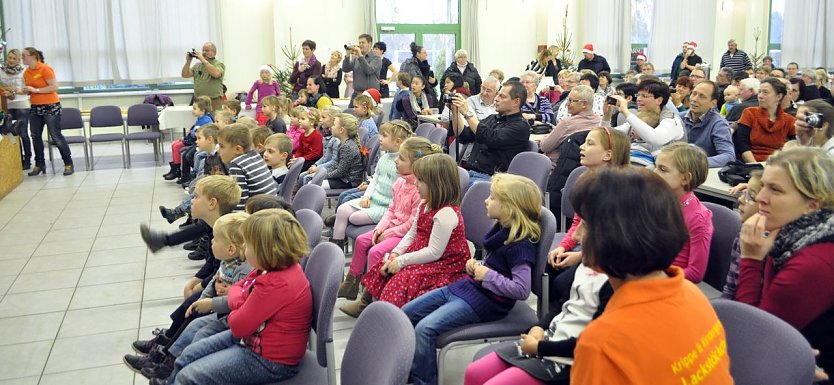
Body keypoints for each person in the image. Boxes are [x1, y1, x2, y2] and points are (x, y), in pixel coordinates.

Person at [567, 167, 733, 384]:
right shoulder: (692, 294)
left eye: (586, 225)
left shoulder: (603, 343)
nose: (577, 235)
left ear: (615, 236)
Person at [405, 173, 542, 385]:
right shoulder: (502, 230)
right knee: (406, 314)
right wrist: (478, 266)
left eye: (493, 198)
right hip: (469, 288)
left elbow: (522, 290)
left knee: (424, 330)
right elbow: (497, 268)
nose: (486, 201)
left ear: (510, 207)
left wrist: (487, 274)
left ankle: (422, 381)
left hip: (487, 302)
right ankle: (412, 371)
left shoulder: (520, 244)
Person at [152, 209, 312, 385]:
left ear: (265, 250)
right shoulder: (271, 267)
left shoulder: (276, 283)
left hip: (270, 361)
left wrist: (238, 301)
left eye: (248, 245)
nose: (244, 249)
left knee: (188, 376)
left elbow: (237, 325)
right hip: (252, 341)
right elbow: (239, 289)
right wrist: (241, 299)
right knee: (188, 355)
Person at [735, 147, 834, 378]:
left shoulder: (813, 265)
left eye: (775, 190)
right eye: (765, 185)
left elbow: (751, 334)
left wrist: (750, 259)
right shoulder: (794, 237)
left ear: (813, 205)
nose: (760, 197)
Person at [124, 211, 251, 375]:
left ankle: (171, 361)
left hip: (229, 314)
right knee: (191, 310)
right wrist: (204, 296)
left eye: (197, 196)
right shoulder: (228, 260)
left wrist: (215, 297)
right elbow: (215, 277)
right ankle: (167, 354)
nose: (191, 200)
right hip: (220, 304)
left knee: (197, 325)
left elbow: (241, 297)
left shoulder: (244, 268)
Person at [355, 153, 468, 315]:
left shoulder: (446, 214)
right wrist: (396, 253)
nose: (416, 183)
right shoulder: (425, 204)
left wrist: (401, 261)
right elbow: (411, 234)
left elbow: (434, 252)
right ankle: (370, 307)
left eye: (420, 180)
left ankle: (392, 318)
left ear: (437, 184)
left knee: (403, 279)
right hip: (423, 254)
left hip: (445, 265)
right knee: (384, 265)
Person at [338, 136, 438, 302]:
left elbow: (412, 224)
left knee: (375, 252)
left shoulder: (419, 189)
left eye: (401, 158)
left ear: (415, 164)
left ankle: (370, 297)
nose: (396, 161)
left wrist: (388, 233)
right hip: (391, 228)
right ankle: (351, 284)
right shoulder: (399, 182)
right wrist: (379, 229)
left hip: (402, 234)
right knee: (363, 241)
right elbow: (390, 210)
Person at [546, 127, 630, 304]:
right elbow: (578, 223)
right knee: (550, 265)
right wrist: (563, 246)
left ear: (607, 155)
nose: (581, 147)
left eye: (589, 144)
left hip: (606, 256)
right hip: (586, 247)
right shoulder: (586, 180)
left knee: (563, 283)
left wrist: (580, 256)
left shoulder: (619, 192)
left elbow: (614, 242)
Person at [325, 120, 410, 247]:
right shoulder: (384, 158)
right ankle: (336, 249)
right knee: (342, 210)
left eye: (384, 136)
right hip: (375, 200)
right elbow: (375, 180)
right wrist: (366, 196)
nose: (380, 139)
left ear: (398, 141)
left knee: (354, 217)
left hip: (386, 206)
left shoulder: (402, 163)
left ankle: (341, 230)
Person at [450, 80, 530, 185]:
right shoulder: (492, 118)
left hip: (492, 179)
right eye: (497, 95)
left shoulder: (521, 127)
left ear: (516, 102)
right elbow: (464, 136)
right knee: (438, 183)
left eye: (502, 96)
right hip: (470, 173)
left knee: (445, 192)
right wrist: (455, 112)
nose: (496, 99)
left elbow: (490, 138)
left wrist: (467, 113)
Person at [654, 143, 712, 283]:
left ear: (685, 178)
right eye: (656, 166)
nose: (655, 173)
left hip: (669, 284)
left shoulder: (698, 218)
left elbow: (695, 273)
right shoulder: (658, 202)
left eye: (663, 169)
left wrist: (654, 278)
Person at [19, 47, 73, 176]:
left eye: (24, 55)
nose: (23, 58)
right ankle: (39, 165)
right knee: (35, 137)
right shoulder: (26, 72)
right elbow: (29, 90)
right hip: (35, 107)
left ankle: (68, 163)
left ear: (33, 56)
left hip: (50, 106)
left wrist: (36, 90)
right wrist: (20, 91)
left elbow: (54, 87)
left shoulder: (45, 68)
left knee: (56, 136)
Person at [159, 124, 222, 223]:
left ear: (209, 140)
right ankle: (185, 215)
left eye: (199, 138)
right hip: (210, 183)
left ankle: (179, 212)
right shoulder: (209, 157)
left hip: (219, 189)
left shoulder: (219, 157)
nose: (196, 141)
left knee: (200, 193)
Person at [606, 79, 685, 156]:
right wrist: (606, 116)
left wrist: (625, 111)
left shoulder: (671, 119)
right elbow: (608, 134)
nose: (638, 99)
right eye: (638, 95)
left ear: (659, 100)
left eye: (644, 96)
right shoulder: (642, 115)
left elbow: (655, 139)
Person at [721, 170, 763, 300]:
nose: (740, 199)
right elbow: (730, 288)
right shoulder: (742, 235)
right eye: (744, 193)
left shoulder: (776, 249)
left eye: (751, 197)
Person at [217, 123, 279, 211]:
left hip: (261, 218)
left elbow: (240, 203)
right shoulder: (255, 155)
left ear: (238, 149)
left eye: (221, 146)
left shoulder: (237, 165)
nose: (218, 150)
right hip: (272, 210)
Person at [735, 77, 796, 162]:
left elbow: (797, 144)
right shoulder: (749, 113)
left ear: (778, 96)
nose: (760, 96)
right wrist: (755, 165)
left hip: (778, 164)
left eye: (765, 92)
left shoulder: (789, 120)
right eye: (759, 92)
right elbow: (742, 145)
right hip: (752, 163)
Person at [540, 85, 600, 169]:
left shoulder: (567, 124)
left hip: (554, 167)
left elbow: (545, 147)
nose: (567, 104)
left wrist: (544, 137)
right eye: (568, 100)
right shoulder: (599, 121)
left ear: (584, 104)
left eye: (571, 101)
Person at [682, 81, 736, 167]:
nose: (694, 99)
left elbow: (728, 156)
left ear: (713, 103)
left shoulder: (719, 124)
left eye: (702, 96)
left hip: (701, 173)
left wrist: (695, 163)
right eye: (694, 94)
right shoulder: (678, 118)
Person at [164, 96, 213, 182]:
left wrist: (192, 132)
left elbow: (196, 134)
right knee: (176, 146)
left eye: (195, 108)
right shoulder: (200, 119)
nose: (192, 110)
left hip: (196, 141)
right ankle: (177, 170)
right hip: (194, 140)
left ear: (202, 110)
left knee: (181, 150)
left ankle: (185, 174)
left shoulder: (206, 120)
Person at [1, 49, 31, 170]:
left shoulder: (24, 72)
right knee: (11, 134)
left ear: (19, 60)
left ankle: (28, 160)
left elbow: (28, 89)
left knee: (23, 133)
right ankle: (18, 159)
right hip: (7, 106)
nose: (11, 60)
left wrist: (13, 91)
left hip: (21, 105)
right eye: (10, 58)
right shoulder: (1, 71)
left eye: (14, 58)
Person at [318, 113, 364, 190]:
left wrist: (324, 175)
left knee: (313, 184)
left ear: (341, 130)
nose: (331, 127)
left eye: (334, 125)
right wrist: (323, 173)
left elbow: (341, 172)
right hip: (343, 179)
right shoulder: (343, 143)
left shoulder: (347, 147)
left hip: (348, 182)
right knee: (314, 180)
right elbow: (337, 166)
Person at [182, 42, 225, 111]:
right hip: (199, 100)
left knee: (214, 120)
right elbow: (185, 75)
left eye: (207, 50)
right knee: (202, 121)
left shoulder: (219, 64)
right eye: (203, 50)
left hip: (213, 100)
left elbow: (216, 74)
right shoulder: (198, 65)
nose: (204, 52)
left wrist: (203, 60)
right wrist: (188, 61)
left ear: (214, 52)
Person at [342, 34, 382, 104]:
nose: (360, 45)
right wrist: (347, 55)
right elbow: (345, 69)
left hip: (369, 96)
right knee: (350, 113)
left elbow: (368, 70)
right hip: (356, 94)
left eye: (363, 43)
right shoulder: (356, 58)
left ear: (370, 44)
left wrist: (360, 55)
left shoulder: (376, 58)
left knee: (367, 114)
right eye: (359, 43)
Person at [288, 107, 324, 171]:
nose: (299, 121)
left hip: (312, 161)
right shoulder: (302, 135)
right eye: (299, 119)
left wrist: (301, 159)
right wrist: (296, 158)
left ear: (312, 122)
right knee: (289, 164)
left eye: (303, 119)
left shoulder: (316, 135)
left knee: (297, 168)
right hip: (304, 159)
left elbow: (316, 154)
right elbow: (300, 150)